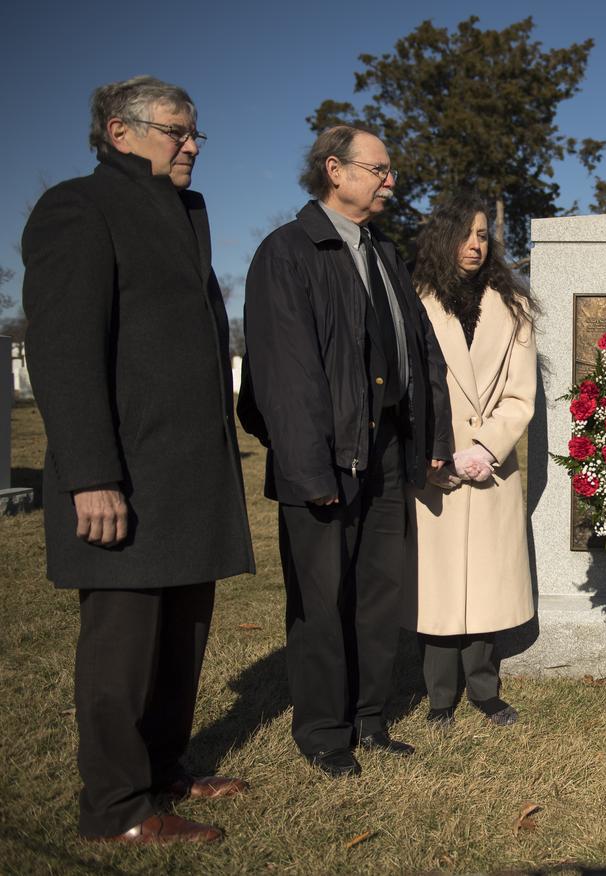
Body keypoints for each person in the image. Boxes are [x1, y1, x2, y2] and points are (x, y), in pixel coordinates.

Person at [21, 76, 255, 843]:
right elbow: (64, 351)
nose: (190, 145)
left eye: (195, 134)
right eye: (175, 132)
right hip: (124, 472)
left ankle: (164, 771)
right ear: (119, 133)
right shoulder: (77, 208)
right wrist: (91, 474)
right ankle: (116, 809)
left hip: (188, 474)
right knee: (123, 649)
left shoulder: (186, 212)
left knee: (182, 634)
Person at [237, 126, 451, 778]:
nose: (392, 181)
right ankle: (325, 734)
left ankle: (370, 719)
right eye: (379, 169)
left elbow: (420, 354)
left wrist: (432, 440)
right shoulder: (288, 253)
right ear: (336, 170)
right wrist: (307, 468)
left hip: (385, 450)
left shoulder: (384, 251)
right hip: (325, 457)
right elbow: (284, 373)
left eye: (390, 171)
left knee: (379, 594)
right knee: (322, 602)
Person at [407, 192, 537, 728]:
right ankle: (439, 696)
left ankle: (485, 688)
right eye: (466, 233)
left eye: (484, 234)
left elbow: (520, 392)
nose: (476, 244)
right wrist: (435, 453)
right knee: (437, 587)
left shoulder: (515, 306)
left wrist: (486, 450)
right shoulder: (413, 300)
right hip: (434, 464)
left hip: (491, 466)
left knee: (487, 581)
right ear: (443, 237)